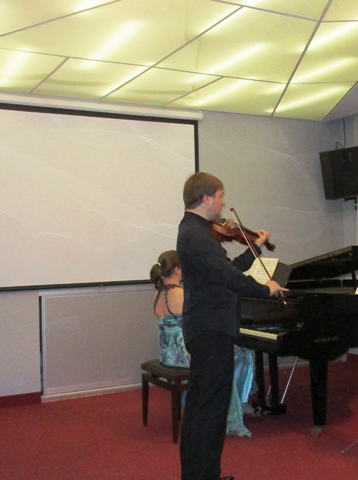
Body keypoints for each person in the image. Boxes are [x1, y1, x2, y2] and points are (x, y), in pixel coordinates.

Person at [176, 172, 288, 480]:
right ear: (206, 198)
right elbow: (230, 279)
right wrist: (266, 289)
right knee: (208, 410)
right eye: (220, 196)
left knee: (206, 407)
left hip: (208, 327)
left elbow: (226, 270)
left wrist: (255, 248)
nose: (223, 203)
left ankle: (203, 474)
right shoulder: (196, 234)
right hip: (210, 329)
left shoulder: (197, 232)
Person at [149, 250, 256, 438]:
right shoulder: (181, 294)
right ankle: (232, 409)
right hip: (185, 353)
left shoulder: (159, 294)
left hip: (167, 354)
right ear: (177, 270)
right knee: (241, 354)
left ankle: (229, 403)